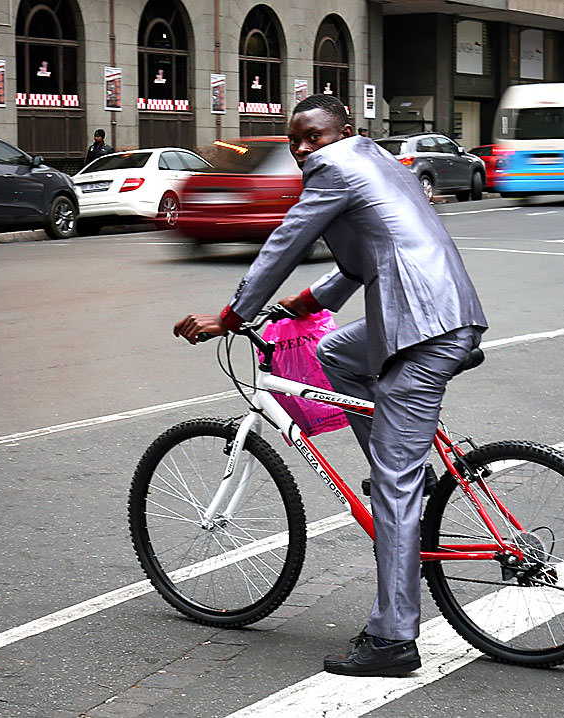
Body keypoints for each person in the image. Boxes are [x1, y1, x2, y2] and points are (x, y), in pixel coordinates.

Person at [173, 94, 487, 677]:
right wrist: (307, 302)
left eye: (312, 136)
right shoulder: (378, 163)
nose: (301, 149)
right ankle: (394, 464)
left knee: (395, 488)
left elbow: (283, 244)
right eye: (295, 140)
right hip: (432, 313)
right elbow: (364, 256)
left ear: (344, 131)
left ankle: (393, 641)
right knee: (335, 351)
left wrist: (234, 315)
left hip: (420, 328)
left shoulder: (335, 167)